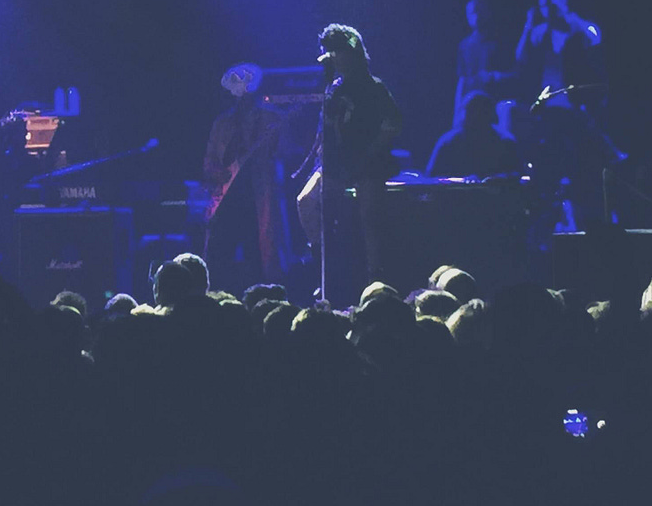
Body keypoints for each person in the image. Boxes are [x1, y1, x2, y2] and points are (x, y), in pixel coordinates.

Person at [294, 24, 402, 302]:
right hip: (336, 162)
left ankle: (375, 278)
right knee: (305, 201)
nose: (332, 58)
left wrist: (368, 154)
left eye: (337, 52)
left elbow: (391, 126)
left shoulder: (373, 87)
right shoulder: (333, 87)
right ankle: (323, 266)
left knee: (370, 217)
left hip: (367, 162)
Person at [514, 0, 620, 228]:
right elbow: (521, 57)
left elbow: (595, 37)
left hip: (576, 100)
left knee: (583, 148)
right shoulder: (541, 33)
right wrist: (528, 25)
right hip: (550, 102)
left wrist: (573, 19)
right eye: (545, 7)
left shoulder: (577, 29)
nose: (548, 12)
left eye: (552, 6)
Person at [203, 63, 285, 290]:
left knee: (257, 256)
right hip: (226, 199)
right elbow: (210, 160)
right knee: (218, 256)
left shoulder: (271, 119)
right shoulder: (222, 122)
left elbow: (283, 154)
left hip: (257, 197)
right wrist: (217, 175)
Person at [427, 91, 522, 178]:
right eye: (472, 111)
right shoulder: (449, 142)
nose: (476, 116)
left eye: (481, 112)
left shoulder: (506, 142)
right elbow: (433, 178)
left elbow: (517, 175)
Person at [454, 0, 514, 126]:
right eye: (471, 13)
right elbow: (462, 79)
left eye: (478, 11)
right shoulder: (465, 45)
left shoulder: (499, 42)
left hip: (494, 101)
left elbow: (516, 72)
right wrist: (457, 110)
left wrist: (496, 76)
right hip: (471, 105)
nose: (475, 16)